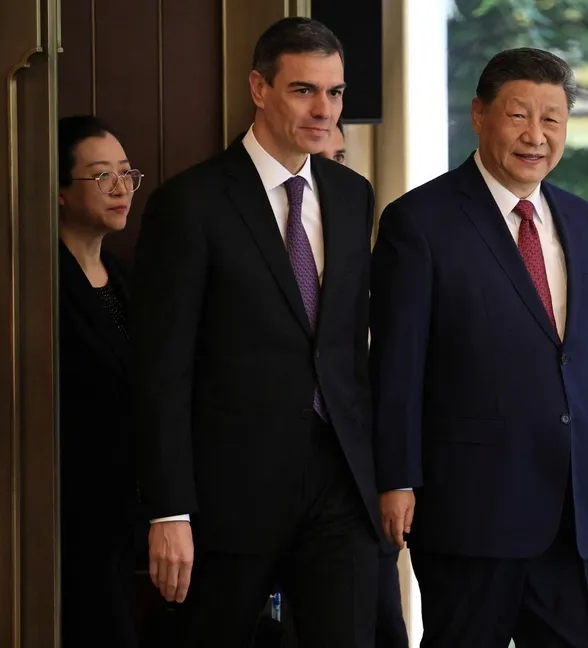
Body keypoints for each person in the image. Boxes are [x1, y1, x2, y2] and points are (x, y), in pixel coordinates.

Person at [370, 47, 588, 647]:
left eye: (552, 119)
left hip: (573, 512)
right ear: (479, 115)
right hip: (470, 512)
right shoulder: (420, 220)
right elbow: (396, 365)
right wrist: (397, 478)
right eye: (518, 115)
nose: (535, 135)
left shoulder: (587, 222)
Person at [131, 17, 380, 647]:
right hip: (227, 496)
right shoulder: (190, 204)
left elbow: (349, 348)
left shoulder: (353, 195)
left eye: (335, 92)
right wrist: (169, 509)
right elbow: (161, 371)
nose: (324, 110)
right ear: (259, 88)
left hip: (340, 485)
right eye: (303, 90)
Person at [313, 120, 410, 648]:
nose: (331, 168)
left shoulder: (355, 207)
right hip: (264, 474)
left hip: (357, 464)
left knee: (379, 622)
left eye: (340, 156)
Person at [57, 115, 145, 647]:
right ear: (61, 192)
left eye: (126, 172)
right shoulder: (37, 282)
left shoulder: (130, 279)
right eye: (101, 175)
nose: (120, 188)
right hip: (71, 513)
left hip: (131, 511)